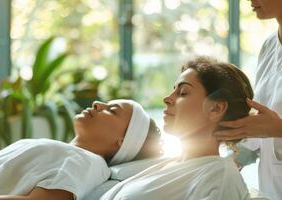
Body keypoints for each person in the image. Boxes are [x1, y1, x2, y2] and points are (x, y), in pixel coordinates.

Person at [0, 99, 161, 200]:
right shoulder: (70, 154)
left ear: (122, 140)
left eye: (112, 110)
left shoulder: (88, 162)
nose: (99, 104)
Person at [100, 57, 251, 200]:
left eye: (183, 92)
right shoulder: (170, 164)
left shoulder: (220, 175)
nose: (167, 99)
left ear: (216, 108)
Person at [214, 0, 282, 199]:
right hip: (271, 189)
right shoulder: (270, 46)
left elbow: (271, 127)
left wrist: (277, 129)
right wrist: (234, 156)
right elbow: (262, 129)